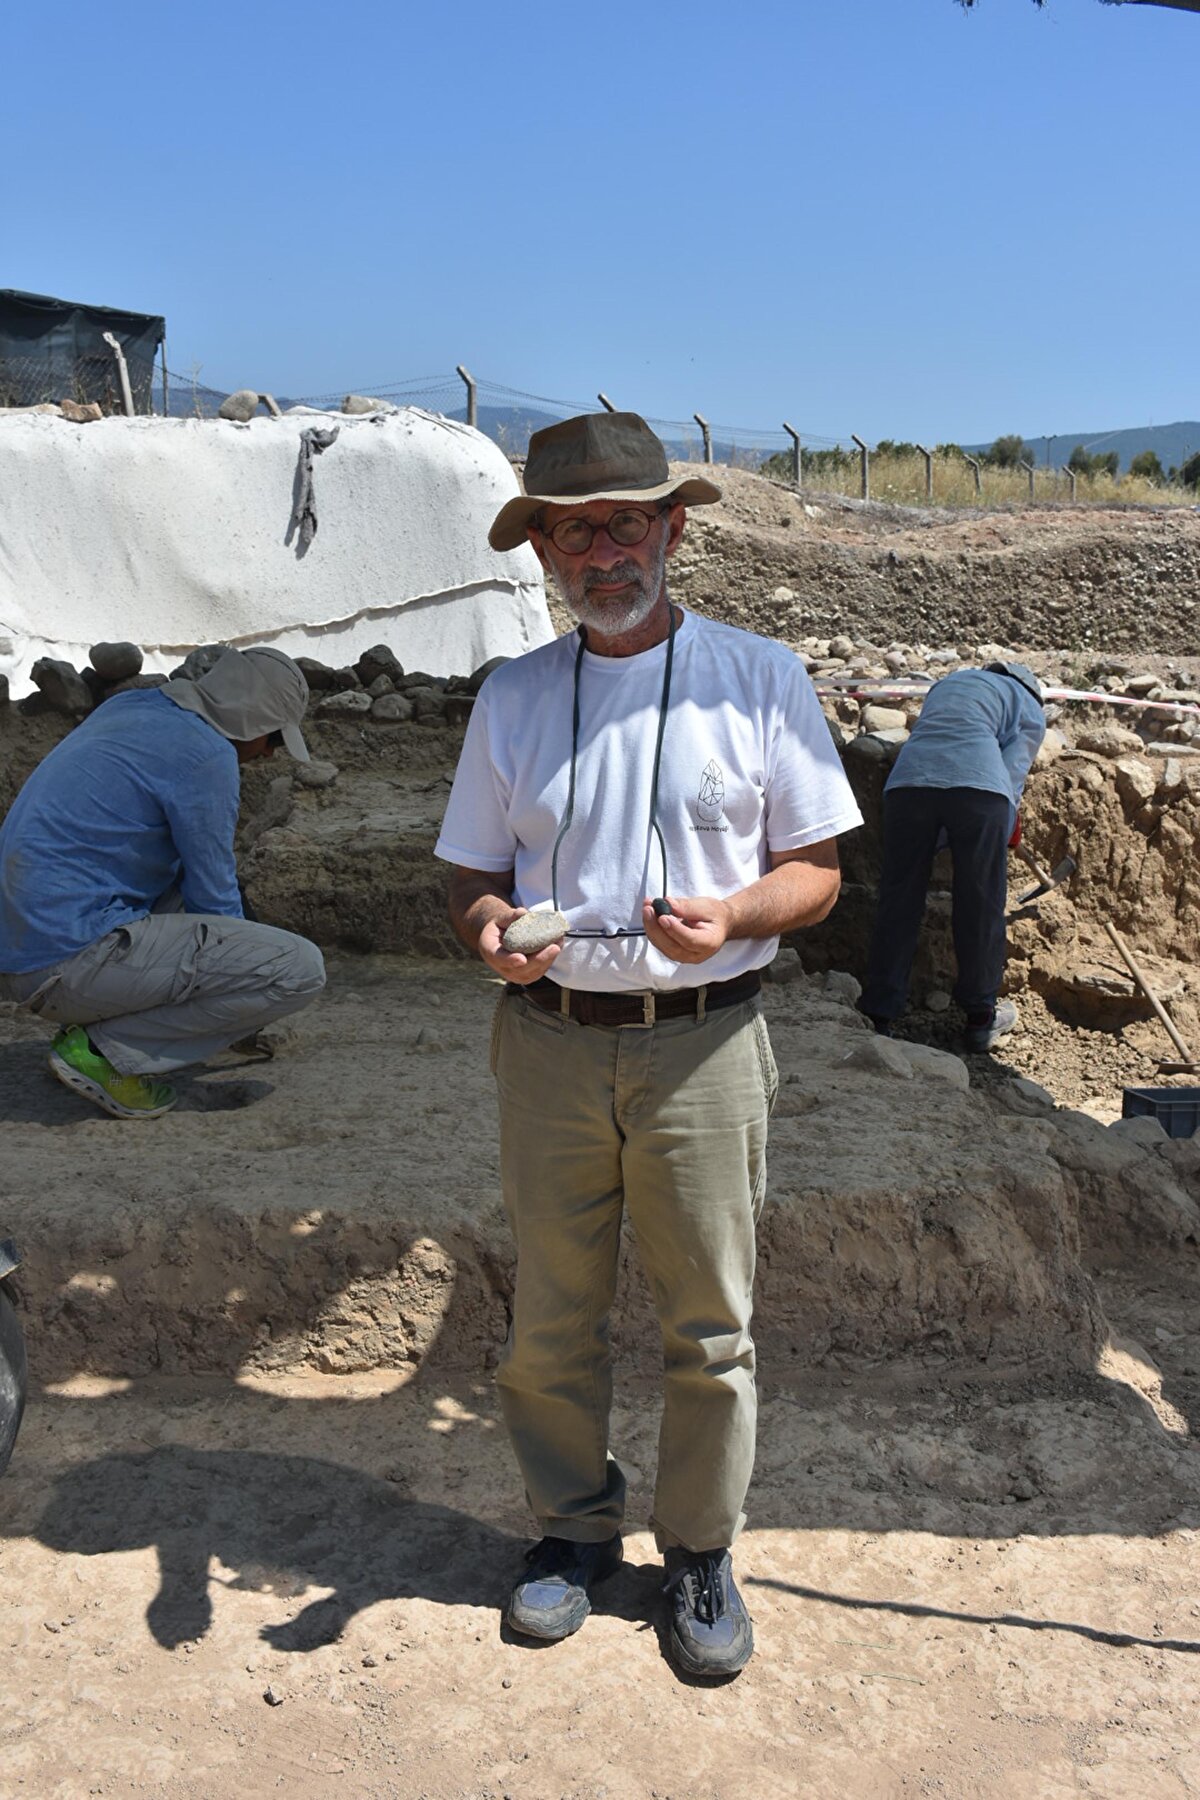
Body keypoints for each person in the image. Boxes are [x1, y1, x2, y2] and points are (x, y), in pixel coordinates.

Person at [435, 411, 862, 1677]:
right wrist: (490, 931)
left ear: (674, 529)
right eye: (576, 531)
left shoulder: (762, 678)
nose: (604, 552)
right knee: (551, 1316)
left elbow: (820, 874)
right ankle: (570, 1535)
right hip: (551, 1044)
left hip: (706, 1046)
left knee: (710, 1325)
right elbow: (468, 872)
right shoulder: (513, 697)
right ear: (546, 555)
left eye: (627, 522)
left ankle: (699, 1554)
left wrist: (733, 914)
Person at [0, 645, 326, 1119]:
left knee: (176, 879)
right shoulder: (208, 756)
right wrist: (244, 1006)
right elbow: (216, 902)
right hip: (62, 960)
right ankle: (104, 1053)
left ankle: (100, 1028)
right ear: (251, 721)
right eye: (273, 739)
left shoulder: (132, 705)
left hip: (22, 941)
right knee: (298, 969)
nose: (269, 753)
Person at [858, 661, 1046, 1053]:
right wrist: (1004, 824)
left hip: (908, 786)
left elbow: (940, 752)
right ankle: (981, 1017)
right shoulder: (1029, 707)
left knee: (899, 900)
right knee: (980, 905)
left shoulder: (950, 684)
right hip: (980, 793)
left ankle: (879, 1012)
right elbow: (1012, 778)